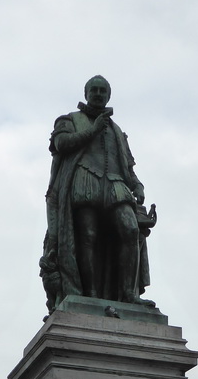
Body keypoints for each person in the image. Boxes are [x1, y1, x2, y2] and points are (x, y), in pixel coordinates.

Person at [40, 75, 156, 312]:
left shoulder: (117, 130)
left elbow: (127, 166)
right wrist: (93, 131)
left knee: (130, 230)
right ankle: (89, 294)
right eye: (94, 90)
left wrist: (137, 186)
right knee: (87, 236)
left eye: (103, 91)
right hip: (84, 179)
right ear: (86, 93)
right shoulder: (69, 120)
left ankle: (128, 294)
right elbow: (61, 144)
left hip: (115, 184)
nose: (98, 94)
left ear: (108, 95)